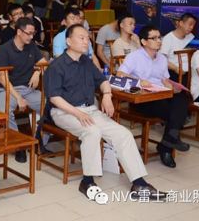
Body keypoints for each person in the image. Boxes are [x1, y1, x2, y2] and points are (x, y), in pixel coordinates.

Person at [45, 24, 166, 199]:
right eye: (81, 38)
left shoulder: (86, 61)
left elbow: (103, 80)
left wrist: (107, 94)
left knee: (123, 133)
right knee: (92, 132)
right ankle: (87, 182)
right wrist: (78, 114)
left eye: (88, 38)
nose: (86, 41)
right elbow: (54, 98)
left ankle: (139, 184)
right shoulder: (57, 66)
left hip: (89, 110)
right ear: (68, 41)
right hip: (64, 112)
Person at [117, 25, 190, 168]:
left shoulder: (162, 58)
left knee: (182, 98)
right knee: (176, 114)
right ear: (144, 41)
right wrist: (139, 81)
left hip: (160, 94)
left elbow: (164, 80)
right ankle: (167, 145)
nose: (159, 41)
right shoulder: (134, 57)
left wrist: (172, 88)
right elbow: (120, 75)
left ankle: (170, 138)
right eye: (154, 38)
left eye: (160, 37)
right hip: (142, 99)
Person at [0, 17, 47, 162]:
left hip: (28, 89)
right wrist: (18, 98)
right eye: (29, 33)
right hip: (7, 90)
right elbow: (2, 79)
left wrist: (37, 71)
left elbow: (44, 64)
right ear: (19, 32)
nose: (32, 37)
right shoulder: (4, 50)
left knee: (50, 105)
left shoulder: (31, 46)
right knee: (4, 111)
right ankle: (18, 145)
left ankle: (38, 139)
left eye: (33, 33)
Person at [161, 13, 197, 84]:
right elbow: (161, 59)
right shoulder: (168, 39)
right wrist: (175, 68)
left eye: (193, 25)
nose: (191, 28)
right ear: (181, 23)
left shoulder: (191, 37)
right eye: (190, 24)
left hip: (191, 72)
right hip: (175, 72)